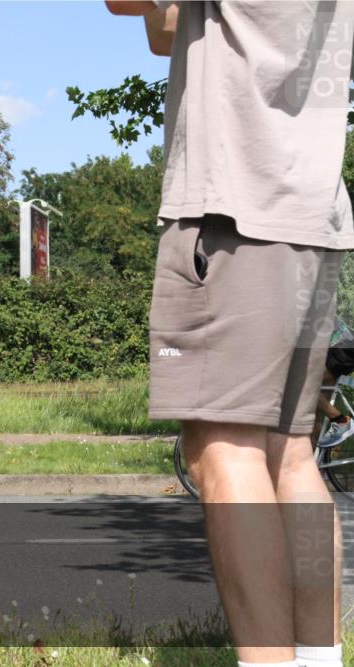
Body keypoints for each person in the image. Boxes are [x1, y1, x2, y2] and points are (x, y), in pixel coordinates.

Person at [105, 2, 353, 666]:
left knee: (224, 448)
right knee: (290, 454)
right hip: (311, 208)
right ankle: (316, 658)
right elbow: (165, 33)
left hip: (238, 202)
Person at [317, 317, 354, 447]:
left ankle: (340, 421)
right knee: (310, 414)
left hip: (338, 348)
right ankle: (317, 464)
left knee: (299, 384)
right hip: (340, 345)